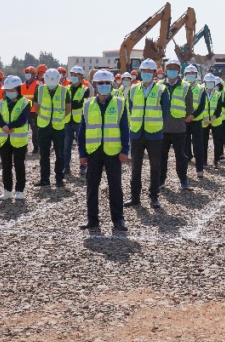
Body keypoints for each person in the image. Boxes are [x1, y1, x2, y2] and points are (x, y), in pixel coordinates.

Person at [78, 69, 130, 231]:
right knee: (92, 186)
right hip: (93, 151)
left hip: (113, 151)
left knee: (115, 186)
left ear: (111, 85)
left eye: (107, 83)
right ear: (95, 85)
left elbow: (125, 129)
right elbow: (82, 132)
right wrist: (82, 154)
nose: (104, 86)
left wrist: (124, 150)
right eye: (101, 83)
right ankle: (92, 219)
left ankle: (118, 219)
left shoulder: (120, 103)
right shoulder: (87, 105)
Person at [126, 58, 168, 209]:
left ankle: (154, 196)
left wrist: (155, 124)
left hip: (154, 133)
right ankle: (134, 196)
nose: (146, 74)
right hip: (137, 132)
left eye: (149, 72)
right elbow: (131, 108)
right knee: (135, 167)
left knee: (155, 166)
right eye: (144, 71)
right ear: (140, 72)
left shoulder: (162, 90)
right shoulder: (133, 89)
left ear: (154, 73)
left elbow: (165, 112)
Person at [0, 75, 31, 200]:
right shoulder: (1, 103)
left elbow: (23, 118)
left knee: (19, 165)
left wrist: (9, 126)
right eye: (7, 90)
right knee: (6, 166)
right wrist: (3, 126)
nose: (9, 92)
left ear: (18, 89)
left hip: (19, 140)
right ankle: (7, 190)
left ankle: (19, 190)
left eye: (12, 90)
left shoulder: (25, 102)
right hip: (4, 139)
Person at [35, 68, 71, 188]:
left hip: (58, 127)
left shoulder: (64, 91)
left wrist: (59, 118)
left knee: (59, 154)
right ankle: (44, 179)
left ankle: (59, 179)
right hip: (44, 126)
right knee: (44, 154)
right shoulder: (39, 90)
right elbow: (36, 107)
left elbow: (68, 108)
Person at [160, 58, 192, 190]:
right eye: (169, 68)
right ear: (166, 70)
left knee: (181, 156)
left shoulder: (185, 86)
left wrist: (183, 118)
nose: (172, 71)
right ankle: (161, 180)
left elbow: (189, 107)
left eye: (175, 69)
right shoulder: (159, 86)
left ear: (179, 71)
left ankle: (183, 180)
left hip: (179, 128)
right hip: (162, 128)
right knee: (162, 156)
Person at [183, 64, 209, 179]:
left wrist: (192, 116)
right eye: (188, 74)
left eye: (192, 74)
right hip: (183, 121)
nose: (190, 76)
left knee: (198, 146)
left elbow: (202, 105)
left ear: (196, 75)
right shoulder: (181, 87)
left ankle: (199, 169)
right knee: (183, 146)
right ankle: (183, 170)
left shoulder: (201, 88)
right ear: (185, 75)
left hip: (196, 121)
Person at [65, 67, 89, 176]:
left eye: (76, 75)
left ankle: (83, 167)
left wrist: (70, 104)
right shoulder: (66, 89)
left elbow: (82, 104)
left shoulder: (85, 89)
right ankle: (66, 167)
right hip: (67, 120)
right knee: (66, 145)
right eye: (72, 74)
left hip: (79, 120)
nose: (73, 77)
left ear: (81, 77)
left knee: (81, 144)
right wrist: (73, 103)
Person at [207, 74, 225, 166]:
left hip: (223, 118)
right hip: (216, 119)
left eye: (216, 85)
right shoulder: (213, 93)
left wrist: (219, 103)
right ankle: (220, 155)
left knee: (224, 137)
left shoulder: (224, 92)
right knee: (219, 139)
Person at [20, 66, 40, 155]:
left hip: (34, 112)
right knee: (23, 131)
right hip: (24, 111)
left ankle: (36, 148)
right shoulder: (22, 85)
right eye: (26, 73)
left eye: (29, 73)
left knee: (35, 131)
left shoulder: (38, 85)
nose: (27, 75)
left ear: (33, 75)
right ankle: (24, 148)